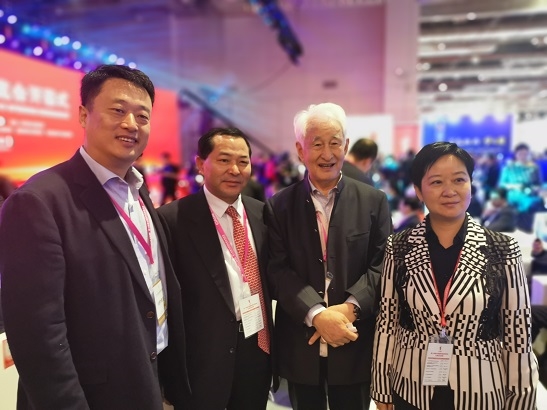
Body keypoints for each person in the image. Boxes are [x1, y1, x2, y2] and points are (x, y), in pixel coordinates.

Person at [0, 64, 189, 409]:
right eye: (118, 110)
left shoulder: (138, 191)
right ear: (84, 116)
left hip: (147, 378)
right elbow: (38, 336)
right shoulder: (39, 202)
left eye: (142, 116)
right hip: (93, 396)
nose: (131, 124)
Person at [371, 141, 538, 410]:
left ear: (471, 184)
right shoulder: (399, 246)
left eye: (459, 180)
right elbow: (387, 321)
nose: (449, 191)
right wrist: (381, 388)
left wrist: (521, 401)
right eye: (436, 182)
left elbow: (517, 332)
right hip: (411, 387)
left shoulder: (503, 249)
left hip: (481, 389)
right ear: (418, 191)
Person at [265, 102, 392, 410]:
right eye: (317, 144)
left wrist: (348, 309)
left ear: (345, 146)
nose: (327, 153)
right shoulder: (279, 206)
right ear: (300, 150)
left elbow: (382, 266)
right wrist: (318, 314)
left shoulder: (373, 201)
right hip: (301, 343)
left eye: (334, 143)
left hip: (354, 340)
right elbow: (277, 270)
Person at [158, 127, 276, 410]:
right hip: (201, 357)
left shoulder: (262, 213)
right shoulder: (172, 219)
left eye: (243, 162)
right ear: (201, 164)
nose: (235, 170)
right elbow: (165, 302)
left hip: (256, 348)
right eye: (224, 160)